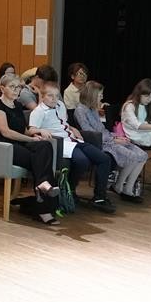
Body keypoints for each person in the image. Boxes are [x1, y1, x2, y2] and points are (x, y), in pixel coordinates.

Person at [28, 83, 115, 213]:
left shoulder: (60, 105)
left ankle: (99, 197)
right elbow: (31, 130)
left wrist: (73, 128)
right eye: (50, 96)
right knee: (82, 160)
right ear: (43, 96)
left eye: (56, 96)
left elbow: (64, 123)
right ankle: (71, 189)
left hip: (73, 139)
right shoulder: (38, 112)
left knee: (104, 158)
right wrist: (40, 130)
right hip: (61, 143)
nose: (54, 99)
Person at [0, 74, 61, 225]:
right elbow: (6, 132)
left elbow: (23, 130)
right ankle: (43, 209)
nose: (16, 90)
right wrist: (31, 139)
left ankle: (42, 186)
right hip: (2, 146)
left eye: (18, 87)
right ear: (2, 88)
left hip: (18, 143)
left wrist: (37, 133)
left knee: (45, 145)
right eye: (12, 87)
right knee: (39, 160)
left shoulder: (17, 105)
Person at [74, 81, 149, 203]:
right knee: (134, 156)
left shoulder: (92, 109)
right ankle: (121, 187)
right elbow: (90, 133)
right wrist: (114, 139)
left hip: (108, 139)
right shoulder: (80, 110)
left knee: (142, 155)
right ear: (92, 95)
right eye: (100, 95)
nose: (102, 97)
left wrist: (117, 137)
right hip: (100, 143)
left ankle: (126, 187)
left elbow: (102, 130)